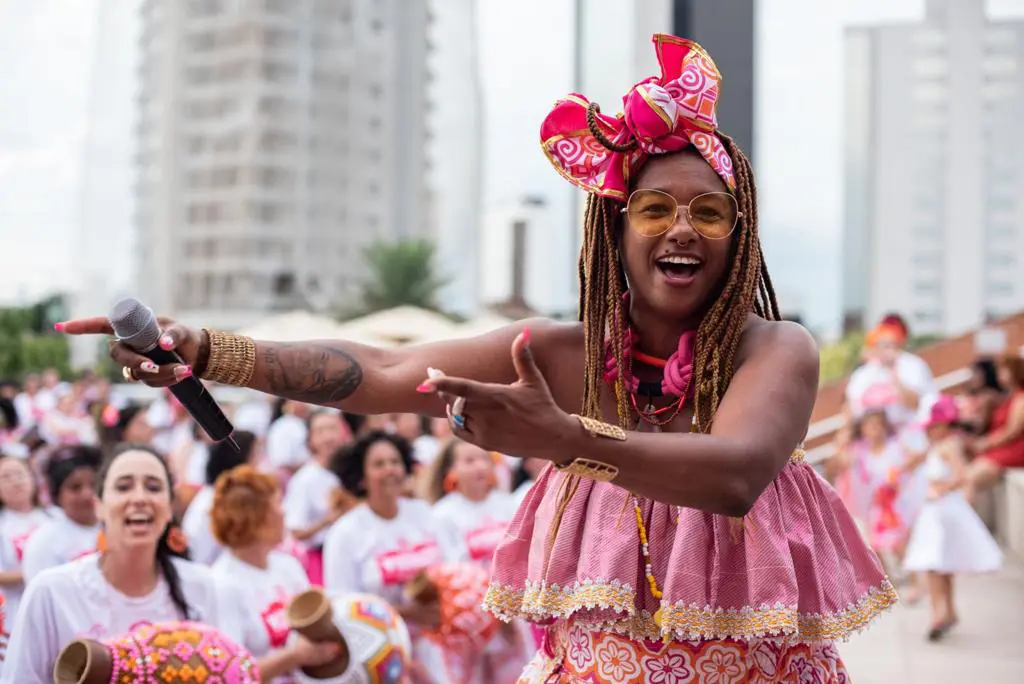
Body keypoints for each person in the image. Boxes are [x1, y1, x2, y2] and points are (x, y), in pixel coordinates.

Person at [61, 34, 893, 681]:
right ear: (616, 228)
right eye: (655, 208)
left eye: (709, 214)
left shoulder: (776, 349)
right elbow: (384, 372)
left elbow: (734, 474)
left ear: (737, 239)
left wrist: (564, 440)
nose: (682, 228)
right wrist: (214, 351)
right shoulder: (561, 355)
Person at [2, 444, 222, 682]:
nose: (139, 498)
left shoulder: (201, 586)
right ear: (99, 505)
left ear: (169, 507)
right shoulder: (51, 591)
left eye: (153, 487)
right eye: (123, 487)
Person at [210, 464, 340, 681]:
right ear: (256, 519)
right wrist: (294, 657)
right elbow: (230, 674)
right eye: (277, 504)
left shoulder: (287, 566)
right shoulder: (221, 584)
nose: (284, 511)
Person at [902, 395, 1002, 641]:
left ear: (944, 426)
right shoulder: (937, 447)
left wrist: (944, 487)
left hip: (943, 509)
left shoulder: (949, 446)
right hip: (935, 511)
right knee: (940, 563)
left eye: (933, 427)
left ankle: (939, 612)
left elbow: (962, 474)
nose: (929, 432)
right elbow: (914, 463)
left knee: (933, 564)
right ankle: (948, 611)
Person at [282, 410, 349, 585]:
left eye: (332, 429)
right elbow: (296, 530)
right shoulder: (305, 479)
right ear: (310, 440)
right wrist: (329, 519)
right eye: (320, 431)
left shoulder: (353, 471)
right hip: (320, 560)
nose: (328, 437)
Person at [21, 445, 102, 582]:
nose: (88, 494)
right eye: (75, 487)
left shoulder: (116, 528)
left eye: (93, 484)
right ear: (57, 495)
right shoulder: (44, 542)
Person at [964, 352, 1024, 503]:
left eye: (1004, 371)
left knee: (971, 478)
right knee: (965, 474)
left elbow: (1012, 431)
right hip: (1003, 447)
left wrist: (987, 443)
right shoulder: (1010, 396)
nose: (1000, 375)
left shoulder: (1020, 398)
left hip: (1014, 449)